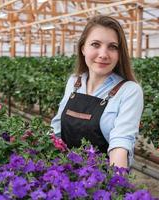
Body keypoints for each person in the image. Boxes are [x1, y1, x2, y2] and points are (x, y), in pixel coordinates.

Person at [51, 15, 144, 168]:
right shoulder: (74, 82)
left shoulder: (129, 91)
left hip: (101, 183)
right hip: (65, 178)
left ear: (120, 53)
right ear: (83, 49)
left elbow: (120, 144)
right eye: (95, 44)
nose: (103, 54)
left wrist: (115, 184)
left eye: (112, 47)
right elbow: (56, 130)